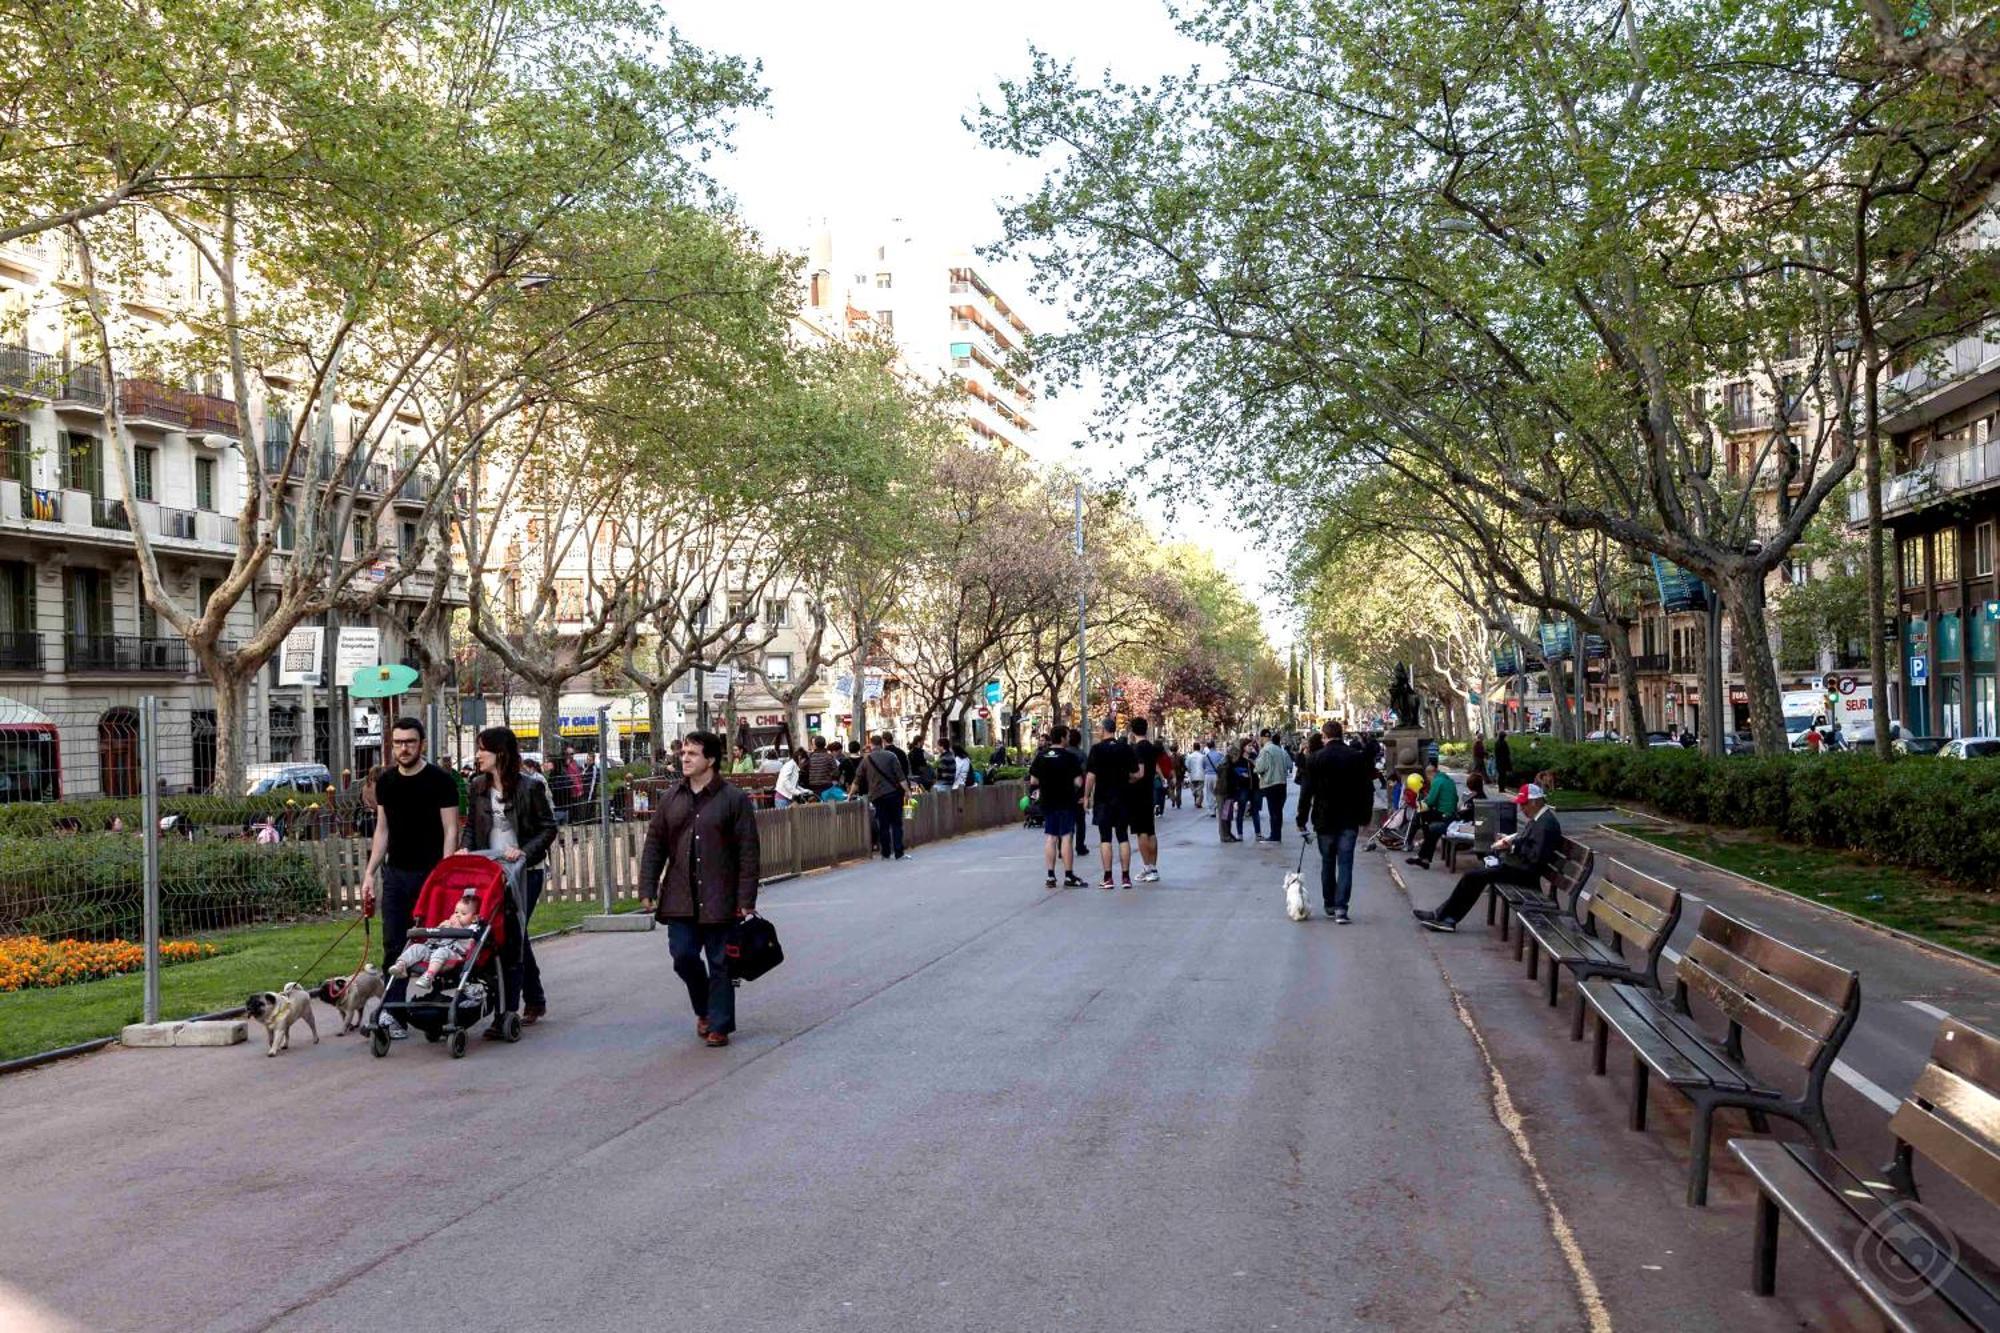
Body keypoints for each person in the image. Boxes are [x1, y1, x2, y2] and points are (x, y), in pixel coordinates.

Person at [637, 731, 762, 1048]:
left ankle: (719, 1025)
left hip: (720, 895)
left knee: (720, 962)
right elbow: (655, 845)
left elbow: (748, 852)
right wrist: (647, 886)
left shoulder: (734, 799)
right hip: (680, 896)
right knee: (683, 956)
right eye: (683, 753)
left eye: (692, 753)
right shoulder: (671, 798)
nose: (685, 758)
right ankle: (705, 1006)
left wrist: (746, 899)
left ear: (711, 759)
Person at [363, 717, 461, 1037]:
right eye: (398, 742)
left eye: (410, 742)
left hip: (431, 874)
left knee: (435, 941)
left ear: (422, 744)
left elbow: (451, 829)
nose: (403, 748)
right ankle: (394, 1013)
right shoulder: (387, 782)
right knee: (394, 943)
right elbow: (382, 829)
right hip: (396, 873)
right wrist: (369, 873)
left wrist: (445, 871)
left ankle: (437, 1006)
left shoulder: (440, 781)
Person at [467, 725, 558, 1030]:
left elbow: (548, 828)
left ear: (501, 754)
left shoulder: (530, 788)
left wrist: (524, 853)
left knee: (514, 934)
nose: (478, 755)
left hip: (524, 872)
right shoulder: (476, 786)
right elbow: (472, 828)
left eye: (483, 749)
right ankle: (534, 998)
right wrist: (466, 852)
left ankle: (509, 1009)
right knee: (513, 935)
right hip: (491, 872)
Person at [1413, 783, 1563, 932]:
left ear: (1535, 802)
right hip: (1520, 867)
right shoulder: (1540, 819)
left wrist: (1512, 847)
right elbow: (1528, 843)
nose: (1522, 809)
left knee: (1473, 877)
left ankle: (1447, 918)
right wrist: (1509, 840)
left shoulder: (1545, 824)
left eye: (1524, 805)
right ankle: (1442, 916)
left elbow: (1535, 857)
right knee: (1475, 876)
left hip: (1525, 873)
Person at [1296, 721, 1374, 923]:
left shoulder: (1315, 759)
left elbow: (1306, 792)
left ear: (1324, 736)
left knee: (1328, 862)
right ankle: (1341, 908)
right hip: (1349, 819)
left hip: (1324, 819)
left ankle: (1329, 904)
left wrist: (1301, 819)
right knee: (1346, 863)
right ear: (1341, 734)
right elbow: (1367, 790)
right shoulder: (1356, 758)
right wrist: (1365, 817)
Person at [388, 889, 480, 998]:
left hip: (454, 955)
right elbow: (431, 941)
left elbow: (470, 944)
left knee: (441, 952)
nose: (458, 916)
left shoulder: (473, 928)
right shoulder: (448, 924)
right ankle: (401, 965)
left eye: (463, 913)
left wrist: (458, 929)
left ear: (474, 918)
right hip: (434, 951)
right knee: (417, 947)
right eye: (456, 912)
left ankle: (429, 976)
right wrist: (439, 930)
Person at [1029, 728, 1087, 889]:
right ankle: (1068, 875)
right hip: (1066, 800)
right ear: (1062, 738)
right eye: (1067, 736)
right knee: (1066, 836)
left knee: (1051, 836)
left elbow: (1033, 780)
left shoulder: (1041, 756)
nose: (1068, 738)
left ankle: (1050, 875)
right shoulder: (1070, 757)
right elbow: (1078, 782)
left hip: (1048, 800)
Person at [1084, 717, 1139, 888]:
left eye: (1099, 728)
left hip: (1103, 799)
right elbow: (1136, 774)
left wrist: (1086, 796)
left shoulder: (1096, 749)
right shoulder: (1125, 748)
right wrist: (1125, 780)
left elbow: (1091, 776)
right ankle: (1126, 877)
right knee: (1123, 836)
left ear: (1103, 729)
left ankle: (1108, 877)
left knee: (1105, 837)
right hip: (1123, 797)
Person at [859, 733, 909, 860]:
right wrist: (907, 791)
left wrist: (849, 796)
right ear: (881, 743)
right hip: (893, 794)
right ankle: (899, 852)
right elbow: (900, 776)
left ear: (871, 744)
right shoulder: (891, 756)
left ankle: (885, 853)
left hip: (877, 796)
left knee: (883, 824)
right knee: (897, 824)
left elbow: (857, 778)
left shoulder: (867, 759)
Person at [1405, 759, 1461, 870]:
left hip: (1445, 814)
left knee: (1421, 816)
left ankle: (1419, 849)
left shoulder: (1437, 781)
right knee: (1429, 825)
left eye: (1428, 777)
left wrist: (1419, 804)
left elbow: (1430, 800)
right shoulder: (1448, 780)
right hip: (1450, 813)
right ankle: (1424, 858)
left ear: (1430, 774)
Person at [1128, 717, 1162, 882]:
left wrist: (1127, 777)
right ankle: (1153, 868)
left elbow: (1139, 773)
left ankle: (1147, 866)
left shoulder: (1137, 749)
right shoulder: (1151, 747)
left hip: (1137, 793)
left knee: (1141, 832)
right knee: (1151, 831)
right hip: (1149, 791)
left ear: (1132, 731)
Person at [1254, 729, 1293, 842]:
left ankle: (1274, 836)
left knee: (1273, 811)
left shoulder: (1265, 750)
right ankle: (1277, 834)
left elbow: (1260, 768)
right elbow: (1289, 765)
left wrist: (1255, 767)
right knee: (1278, 811)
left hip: (1271, 784)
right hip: (1282, 783)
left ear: (1262, 738)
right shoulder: (1280, 750)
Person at [1066, 727, 1092, 856]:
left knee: (1065, 821)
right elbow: (1086, 775)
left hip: (1064, 793)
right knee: (1080, 821)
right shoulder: (1082, 755)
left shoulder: (1063, 753)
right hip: (1078, 792)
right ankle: (1080, 846)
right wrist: (1086, 795)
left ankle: (1063, 848)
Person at [1231, 740, 1263, 841]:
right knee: (1241, 811)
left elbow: (1259, 769)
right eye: (1249, 745)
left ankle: (1258, 834)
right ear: (1243, 747)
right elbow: (1236, 774)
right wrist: (1242, 776)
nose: (1251, 747)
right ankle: (1239, 834)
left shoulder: (1254, 757)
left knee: (1255, 811)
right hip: (1243, 789)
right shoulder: (1238, 760)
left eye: (1251, 745)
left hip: (1255, 788)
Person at [1184, 739, 1210, 811]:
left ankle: (1197, 801)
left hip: (1192, 775)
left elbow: (1187, 765)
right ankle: (1198, 802)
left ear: (1193, 748)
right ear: (1199, 748)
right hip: (1201, 774)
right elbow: (1205, 766)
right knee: (1200, 789)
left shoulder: (1190, 756)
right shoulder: (1202, 756)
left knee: (1195, 789)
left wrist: (1189, 770)